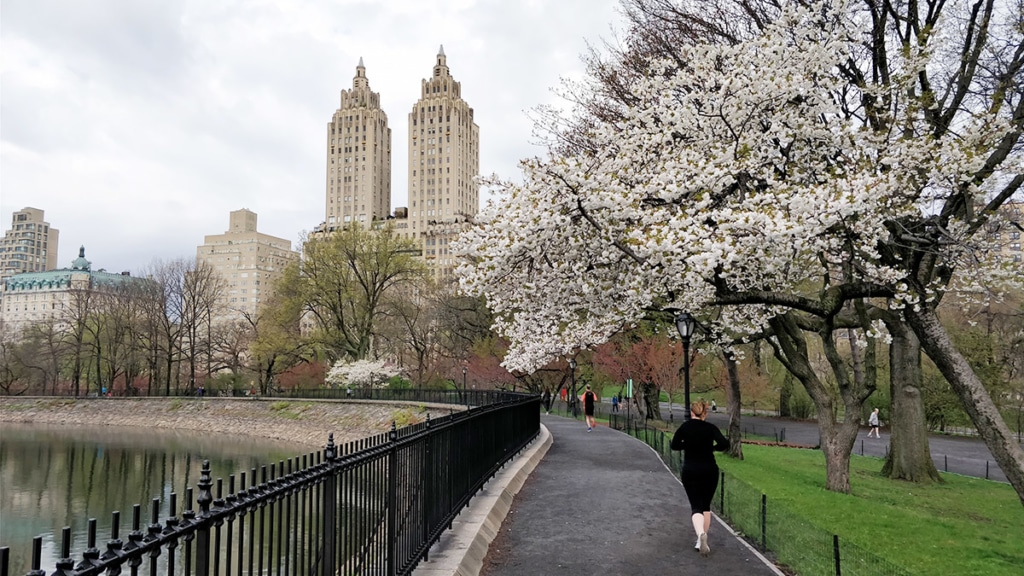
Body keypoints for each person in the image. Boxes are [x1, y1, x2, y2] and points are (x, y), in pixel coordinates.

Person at [670, 399, 730, 557]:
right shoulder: (710, 428)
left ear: (691, 412)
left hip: (691, 470)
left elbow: (674, 445)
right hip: (709, 470)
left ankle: (700, 535)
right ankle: (701, 541)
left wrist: (688, 445)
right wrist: (712, 447)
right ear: (705, 413)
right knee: (706, 506)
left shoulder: (685, 427)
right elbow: (725, 443)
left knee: (695, 506)